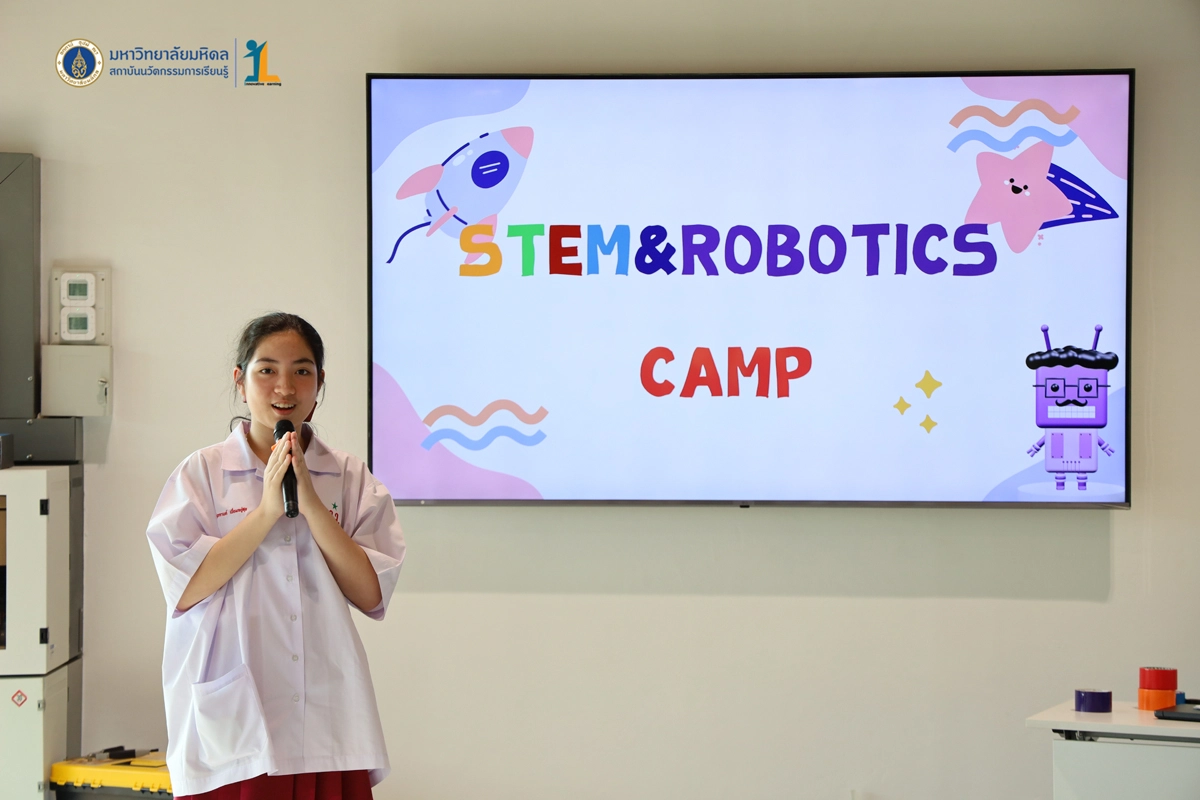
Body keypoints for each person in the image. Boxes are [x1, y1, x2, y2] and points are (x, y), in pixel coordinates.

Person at [146, 313, 406, 799]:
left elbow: (371, 594)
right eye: (266, 370)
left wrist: (312, 505)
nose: (285, 387)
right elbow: (185, 586)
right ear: (240, 380)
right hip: (235, 711)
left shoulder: (348, 476)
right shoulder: (202, 472)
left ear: (319, 382)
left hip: (326, 711)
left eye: (302, 371)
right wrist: (267, 511)